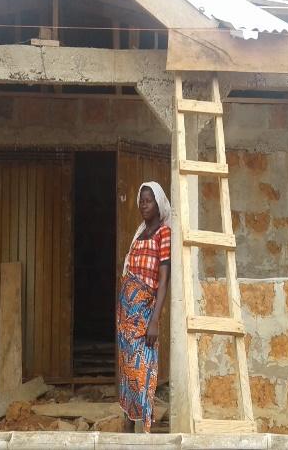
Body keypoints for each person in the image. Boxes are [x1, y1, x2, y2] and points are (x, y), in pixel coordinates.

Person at [117, 181, 171, 433]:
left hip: (145, 313)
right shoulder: (139, 235)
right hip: (127, 314)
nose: (143, 205)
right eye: (141, 200)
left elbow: (163, 280)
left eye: (148, 200)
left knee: (144, 371)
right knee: (128, 371)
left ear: (158, 204)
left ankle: (145, 432)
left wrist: (155, 320)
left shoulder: (163, 233)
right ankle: (128, 425)